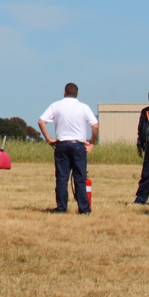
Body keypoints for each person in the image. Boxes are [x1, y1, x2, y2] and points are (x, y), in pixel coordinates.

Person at [38, 82, 98, 213]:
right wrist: (91, 142)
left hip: (62, 145)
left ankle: (61, 207)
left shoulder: (56, 105)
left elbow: (41, 121)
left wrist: (48, 139)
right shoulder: (83, 107)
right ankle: (84, 208)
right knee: (80, 178)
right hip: (78, 145)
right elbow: (95, 126)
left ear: (64, 93)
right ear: (77, 94)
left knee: (62, 178)